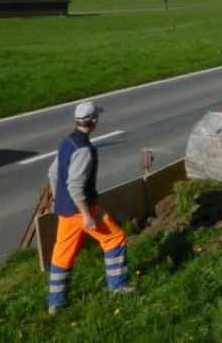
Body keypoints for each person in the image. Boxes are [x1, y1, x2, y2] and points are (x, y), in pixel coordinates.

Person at [45, 101, 133, 315]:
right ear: (93, 121)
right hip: (83, 209)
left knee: (62, 254)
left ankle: (56, 303)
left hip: (65, 211)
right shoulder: (84, 149)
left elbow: (53, 173)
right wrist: (86, 215)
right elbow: (76, 185)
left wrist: (59, 201)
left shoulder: (67, 142)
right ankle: (118, 288)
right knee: (114, 239)